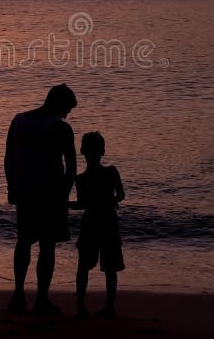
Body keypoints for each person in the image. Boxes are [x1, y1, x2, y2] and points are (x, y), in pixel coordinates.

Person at [4, 84, 77, 315]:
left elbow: (8, 159)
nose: (67, 114)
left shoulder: (18, 121)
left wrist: (12, 187)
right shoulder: (61, 128)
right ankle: (41, 299)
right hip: (50, 192)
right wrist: (64, 196)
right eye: (67, 108)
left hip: (25, 190)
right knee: (47, 246)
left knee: (23, 241)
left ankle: (18, 293)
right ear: (58, 104)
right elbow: (72, 168)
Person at [70, 131, 125, 318]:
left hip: (93, 223)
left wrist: (63, 204)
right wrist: (113, 200)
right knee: (108, 268)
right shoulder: (110, 172)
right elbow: (121, 195)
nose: (93, 153)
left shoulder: (82, 178)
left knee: (85, 267)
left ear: (82, 151)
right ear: (103, 150)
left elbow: (81, 204)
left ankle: (82, 307)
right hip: (106, 223)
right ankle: (108, 307)